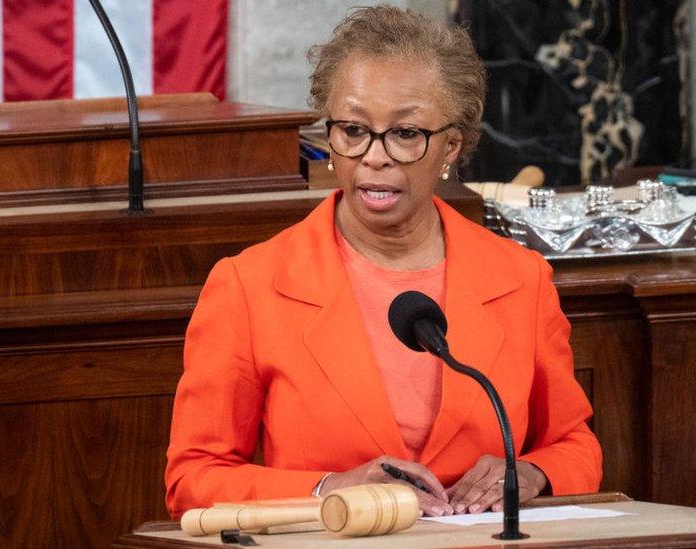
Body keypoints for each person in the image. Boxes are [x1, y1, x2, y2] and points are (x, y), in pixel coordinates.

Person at [165, 5, 601, 519]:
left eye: (406, 134)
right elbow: (193, 478)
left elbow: (575, 446)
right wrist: (328, 489)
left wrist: (532, 473)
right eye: (353, 130)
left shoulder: (519, 279)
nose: (374, 156)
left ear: (450, 148)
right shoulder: (249, 285)